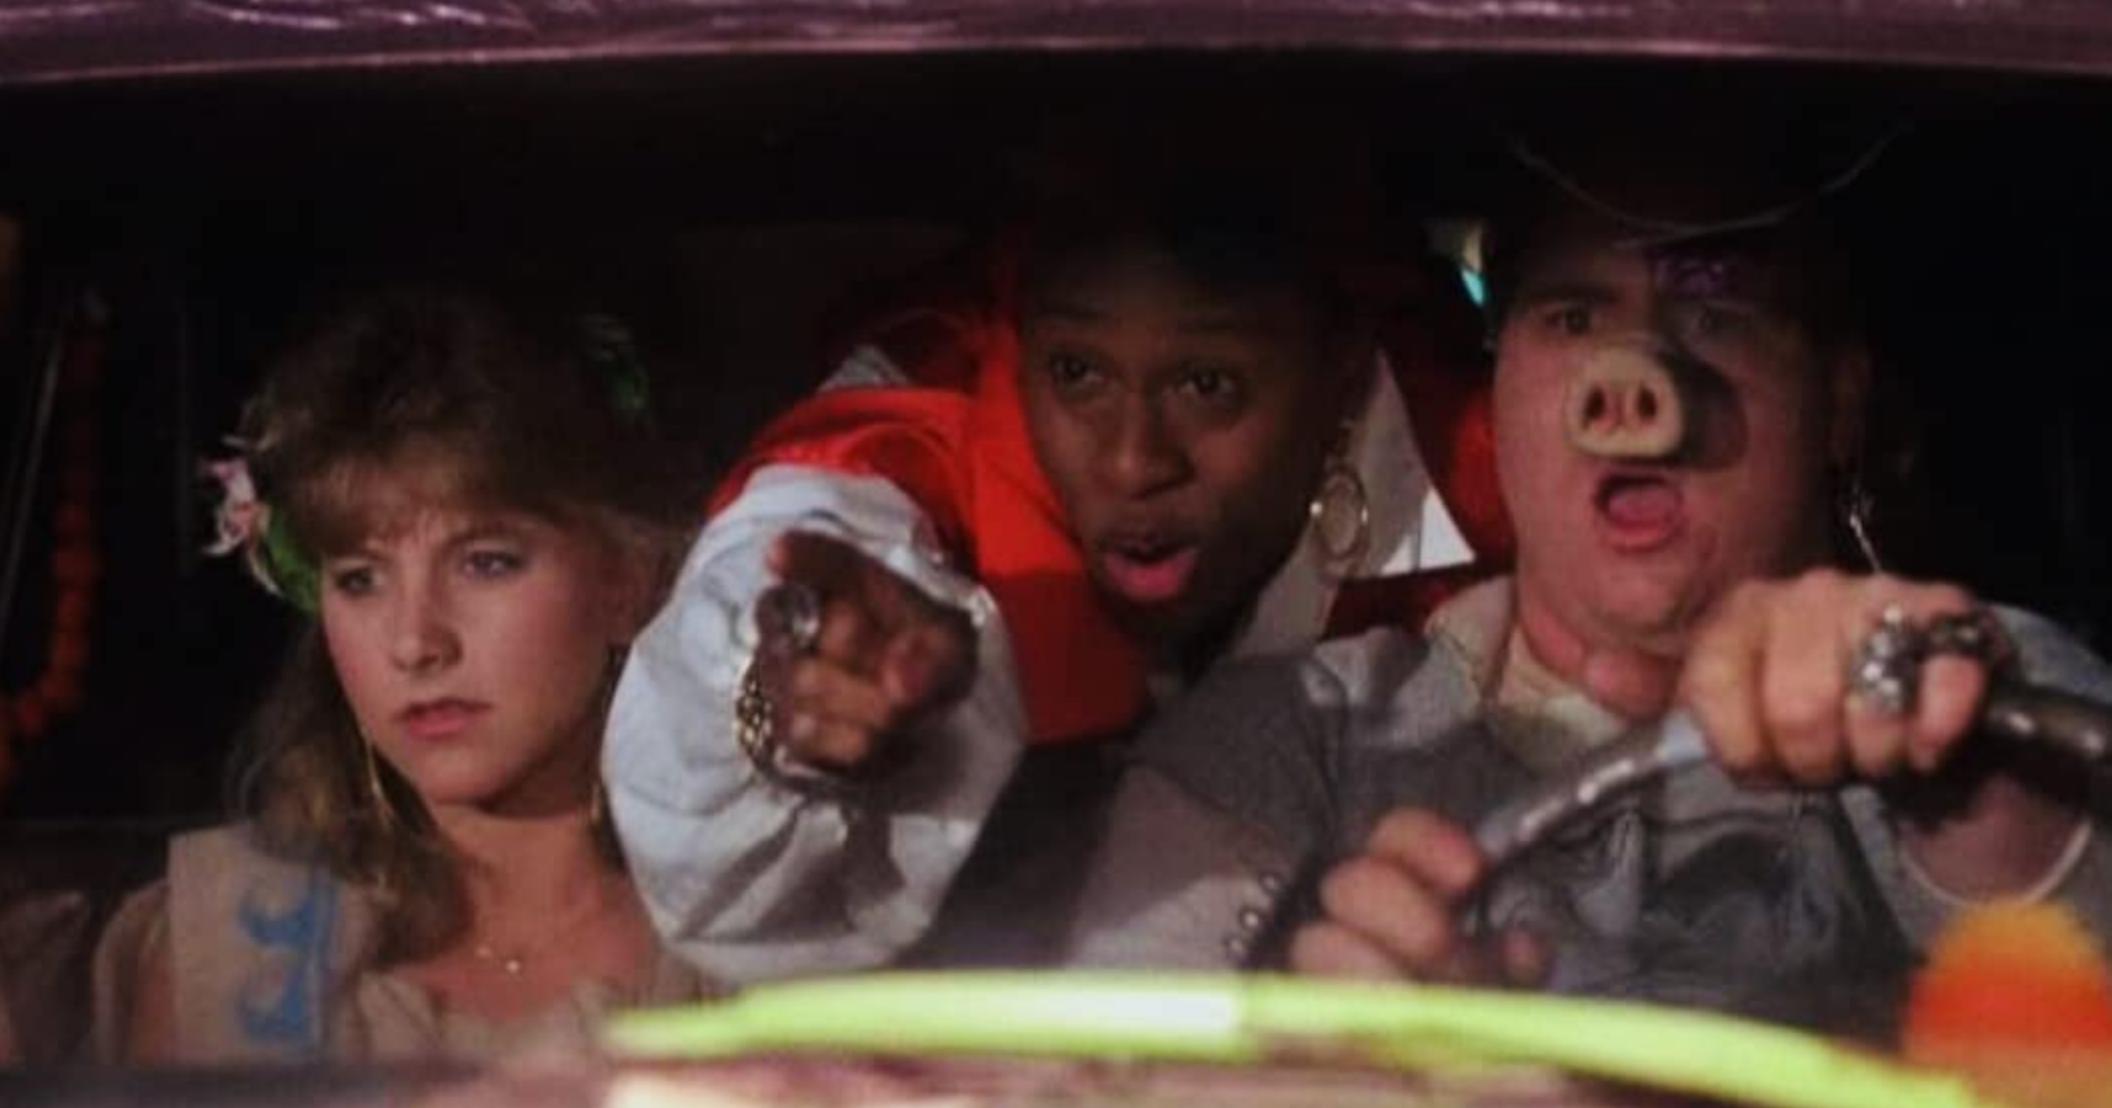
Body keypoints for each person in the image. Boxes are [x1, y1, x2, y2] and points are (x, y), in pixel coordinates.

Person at [1063, 123, 2112, 1030]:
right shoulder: (1296, 735)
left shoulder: (1996, 688)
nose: (1633, 385)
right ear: (1500, 389)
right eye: (1571, 317)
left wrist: (1978, 789)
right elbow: (1092, 1064)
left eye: (1717, 311)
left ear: (1840, 401)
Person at [605, 106, 1514, 982]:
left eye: (1207, 384)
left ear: (1343, 365)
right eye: (1077, 373)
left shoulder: (1481, 476)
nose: (1132, 460)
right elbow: (787, 556)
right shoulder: (919, 425)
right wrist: (790, 694)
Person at [92, 280, 710, 1062]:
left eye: (486, 562)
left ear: (627, 580)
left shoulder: (760, 943)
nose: (415, 643)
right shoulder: (229, 951)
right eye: (361, 579)